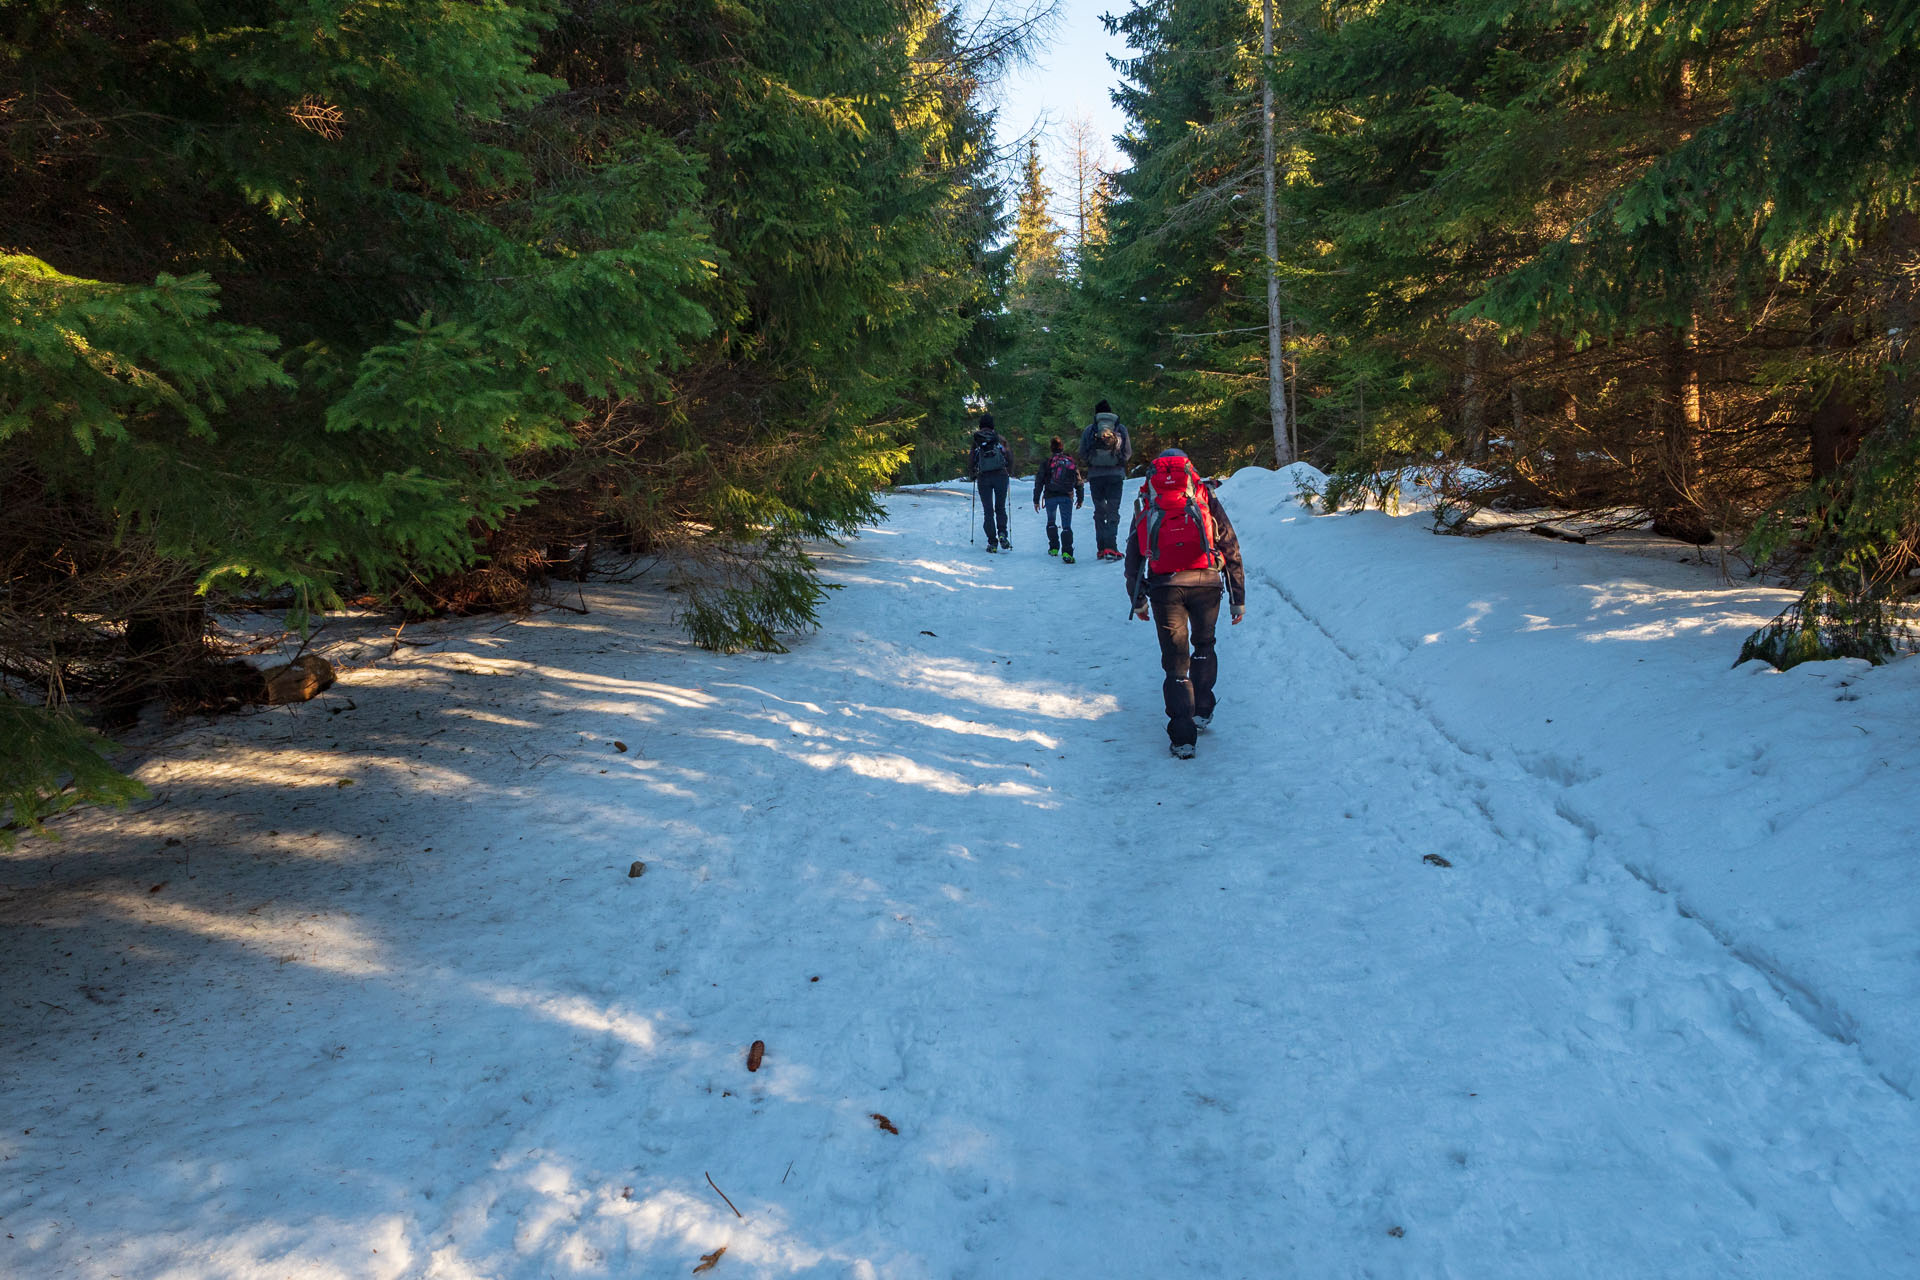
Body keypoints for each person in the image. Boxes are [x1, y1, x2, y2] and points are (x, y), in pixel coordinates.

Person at [1123, 449, 1246, 758]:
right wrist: (1237, 598)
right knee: (1204, 644)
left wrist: (1138, 600)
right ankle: (1202, 708)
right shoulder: (1204, 496)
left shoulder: (1148, 501)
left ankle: (1182, 738)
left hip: (1165, 586)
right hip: (1206, 582)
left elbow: (1134, 555)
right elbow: (1229, 544)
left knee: (1176, 662)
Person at [1077, 400, 1132, 560]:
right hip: (1115, 475)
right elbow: (1127, 453)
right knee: (1113, 511)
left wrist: (1092, 462)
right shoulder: (1120, 429)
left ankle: (1101, 548)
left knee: (1100, 511)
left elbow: (1082, 453)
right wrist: (1118, 461)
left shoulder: (1090, 430)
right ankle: (1111, 547)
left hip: (1096, 476)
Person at [1032, 436, 1086, 562]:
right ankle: (1067, 552)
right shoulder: (1070, 461)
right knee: (1066, 525)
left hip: (1050, 496)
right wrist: (1080, 497)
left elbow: (1039, 481)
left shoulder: (1047, 462)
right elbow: (1078, 481)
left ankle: (1054, 548)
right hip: (1067, 496)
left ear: (1051, 448)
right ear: (1062, 447)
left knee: (1051, 522)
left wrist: (1036, 499)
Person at [966, 414, 1013, 552]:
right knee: (1001, 507)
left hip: (984, 477)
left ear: (981, 425)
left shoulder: (977, 440)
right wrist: (1009, 470)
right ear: (993, 425)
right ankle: (1003, 534)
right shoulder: (1000, 439)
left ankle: (992, 542)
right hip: (1001, 476)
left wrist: (972, 473)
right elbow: (1009, 456)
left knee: (988, 511)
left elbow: (972, 458)